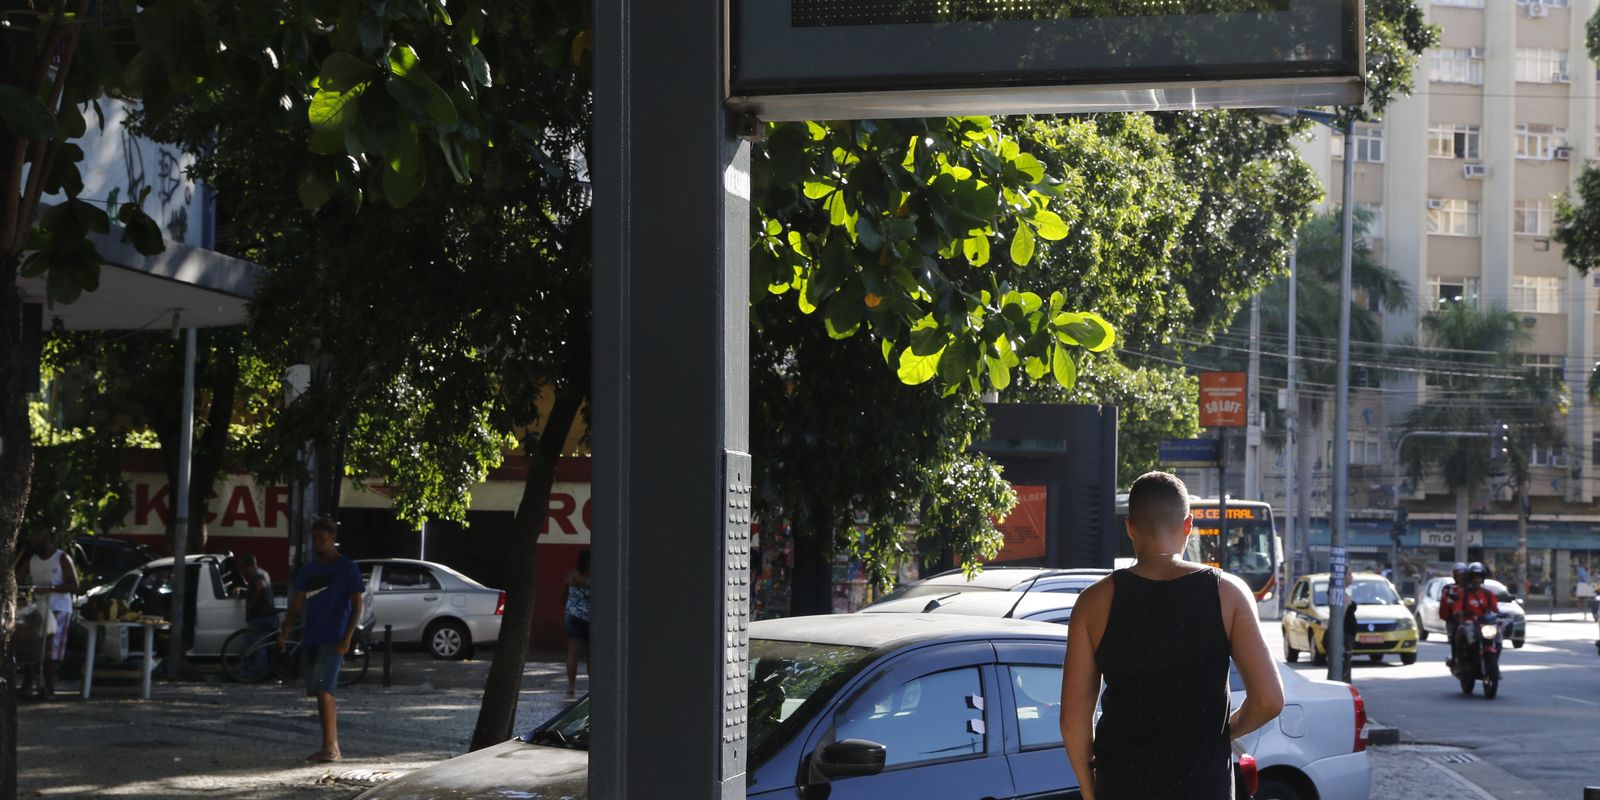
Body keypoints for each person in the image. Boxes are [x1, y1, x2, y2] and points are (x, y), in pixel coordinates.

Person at [1061, 472, 1283, 800]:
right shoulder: (1228, 593)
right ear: (1188, 525)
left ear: (1130, 527)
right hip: (1204, 788)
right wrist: (1221, 732)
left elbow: (1073, 720)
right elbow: (1269, 700)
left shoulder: (1093, 602)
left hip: (1122, 786)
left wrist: (1090, 790)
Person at [280, 517, 364, 763]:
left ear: (333, 539)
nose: (317, 544)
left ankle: (331, 748)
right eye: (315, 539)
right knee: (318, 690)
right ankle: (330, 745)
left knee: (325, 689)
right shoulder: (309, 570)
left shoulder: (347, 567)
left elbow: (357, 604)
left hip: (334, 636)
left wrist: (348, 636)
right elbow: (296, 604)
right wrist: (286, 628)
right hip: (312, 635)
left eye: (322, 539)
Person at [14, 527, 79, 700]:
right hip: (40, 608)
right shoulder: (32, 559)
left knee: (50, 650)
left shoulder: (62, 558)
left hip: (59, 608)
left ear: (46, 541)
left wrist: (51, 589)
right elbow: (16, 579)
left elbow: (74, 586)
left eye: (36, 541)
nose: (33, 545)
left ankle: (49, 689)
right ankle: (28, 686)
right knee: (31, 648)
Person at [1450, 562, 1499, 666]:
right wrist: (1460, 613)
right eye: (1474, 577)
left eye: (1479, 577)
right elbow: (1456, 608)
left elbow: (1495, 609)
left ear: (1483, 579)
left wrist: (1499, 615)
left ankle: (1493, 662)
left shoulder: (1488, 594)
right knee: (1459, 633)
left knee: (1499, 638)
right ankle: (1459, 661)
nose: (1477, 580)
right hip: (1469, 624)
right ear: (1470, 578)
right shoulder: (1462, 593)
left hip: (1485, 625)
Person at [563, 548, 591, 700]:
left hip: (572, 615)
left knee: (572, 652)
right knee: (591, 654)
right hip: (591, 619)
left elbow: (565, 593)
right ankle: (593, 684)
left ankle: (571, 685)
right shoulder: (594, 577)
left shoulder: (571, 575)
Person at [1439, 562, 1468, 668]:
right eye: (1459, 575)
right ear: (1455, 576)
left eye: (1463, 575)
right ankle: (1455, 659)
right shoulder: (1449, 588)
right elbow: (1449, 602)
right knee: (1455, 640)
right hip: (1454, 620)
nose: (1462, 577)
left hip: (1472, 619)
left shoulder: (1473, 588)